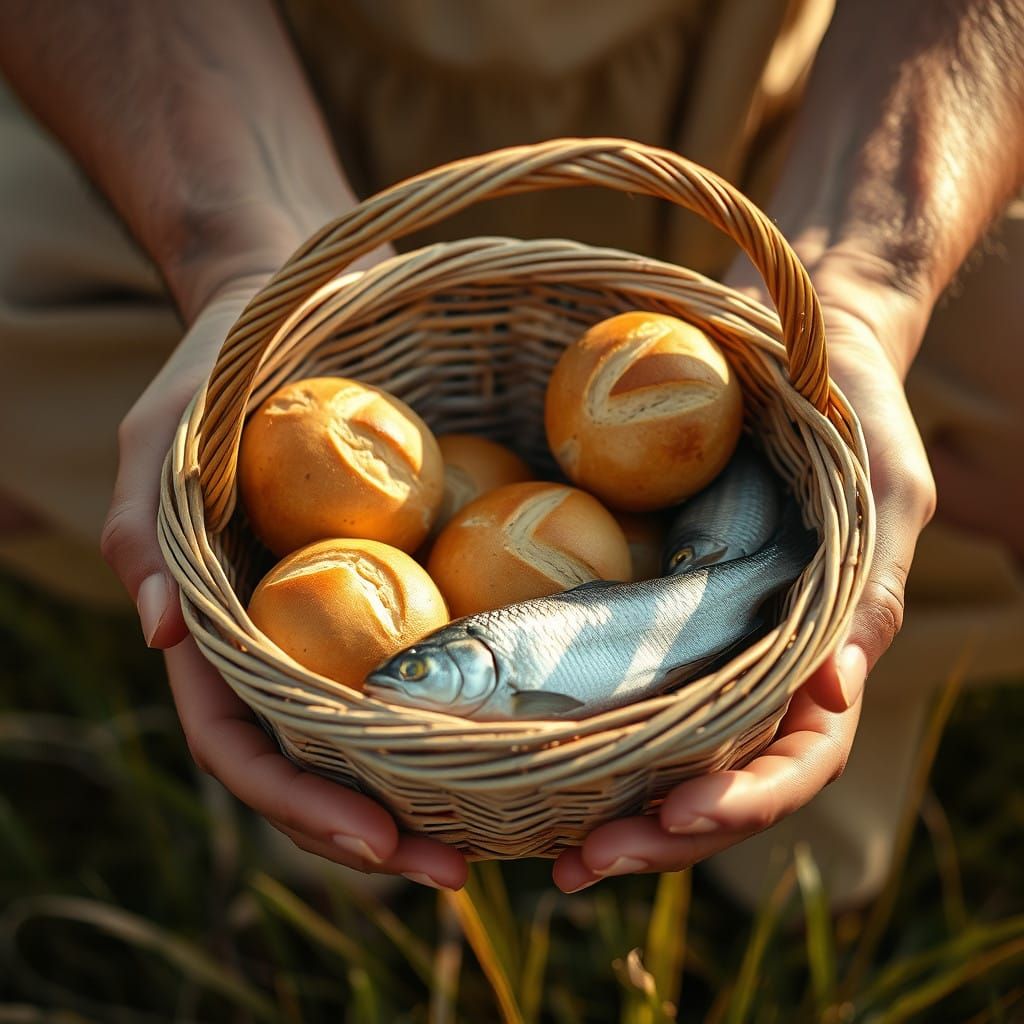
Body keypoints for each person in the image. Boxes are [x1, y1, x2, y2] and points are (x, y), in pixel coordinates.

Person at [0, 0, 1021, 904]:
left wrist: (855, 280)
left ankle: (819, 724)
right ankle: (336, 804)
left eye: (418, 672)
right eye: (416, 671)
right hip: (249, 97)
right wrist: (240, 244)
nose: (403, 676)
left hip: (795, 117)